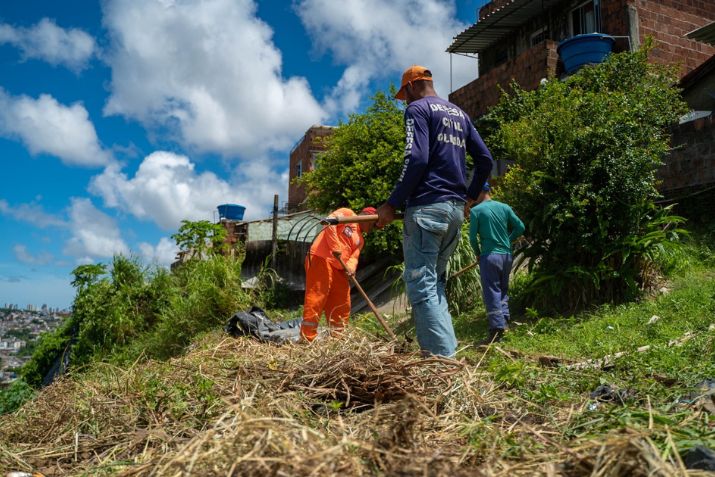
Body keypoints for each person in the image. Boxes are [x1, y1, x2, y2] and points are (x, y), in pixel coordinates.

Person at [376, 65, 494, 357]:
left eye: (405, 95)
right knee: (435, 284)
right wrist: (467, 198)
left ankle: (443, 364)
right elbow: (485, 160)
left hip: (427, 209)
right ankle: (447, 355)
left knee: (421, 285)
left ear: (415, 86)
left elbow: (416, 158)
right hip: (453, 212)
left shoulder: (418, 110)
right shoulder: (460, 115)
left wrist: (391, 204)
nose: (405, 102)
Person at [300, 206, 377, 341]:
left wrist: (351, 269)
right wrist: (336, 248)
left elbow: (354, 257)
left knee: (342, 302)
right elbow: (330, 222)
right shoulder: (347, 214)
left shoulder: (360, 240)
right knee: (317, 297)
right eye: (373, 224)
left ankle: (338, 339)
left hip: (339, 268)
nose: (374, 228)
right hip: (321, 258)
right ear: (366, 217)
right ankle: (307, 338)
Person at [469, 183, 525, 344]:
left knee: (491, 291)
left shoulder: (476, 211)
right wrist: (507, 239)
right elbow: (520, 227)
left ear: (480, 192)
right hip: (506, 255)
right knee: (502, 289)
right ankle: (505, 321)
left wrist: (478, 254)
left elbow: (472, 238)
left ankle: (496, 330)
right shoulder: (504, 207)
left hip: (490, 256)